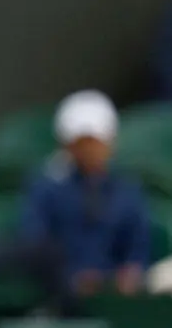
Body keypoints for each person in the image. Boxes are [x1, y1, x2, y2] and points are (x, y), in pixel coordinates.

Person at [22, 89, 152, 298]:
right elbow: (35, 242)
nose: (90, 150)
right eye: (82, 143)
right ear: (68, 145)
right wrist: (69, 278)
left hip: (114, 295)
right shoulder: (46, 188)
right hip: (60, 292)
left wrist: (129, 273)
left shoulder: (127, 190)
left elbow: (138, 247)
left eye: (96, 142)